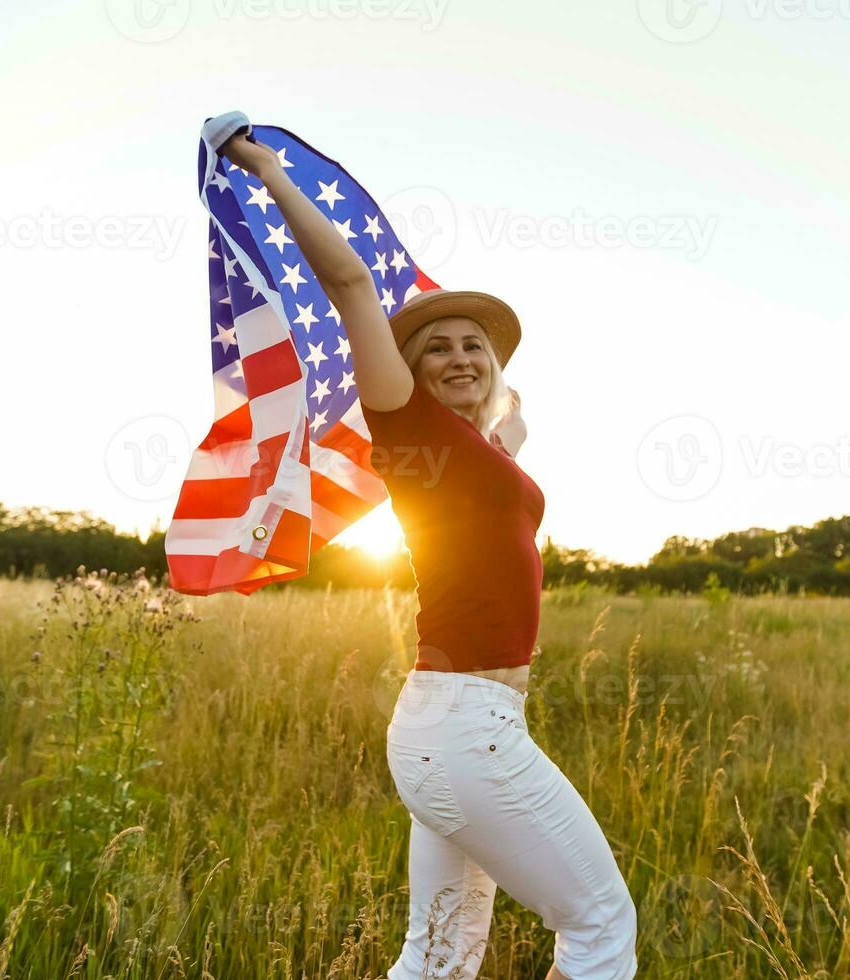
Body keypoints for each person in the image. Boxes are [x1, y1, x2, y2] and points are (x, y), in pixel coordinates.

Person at [211, 118, 637, 980]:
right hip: (464, 730)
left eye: (474, 345)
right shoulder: (406, 427)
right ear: (404, 370)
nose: (459, 355)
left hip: (458, 728)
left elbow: (494, 489)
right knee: (599, 926)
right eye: (436, 346)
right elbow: (350, 281)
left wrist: (506, 430)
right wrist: (261, 165)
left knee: (441, 954)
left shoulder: (474, 458)